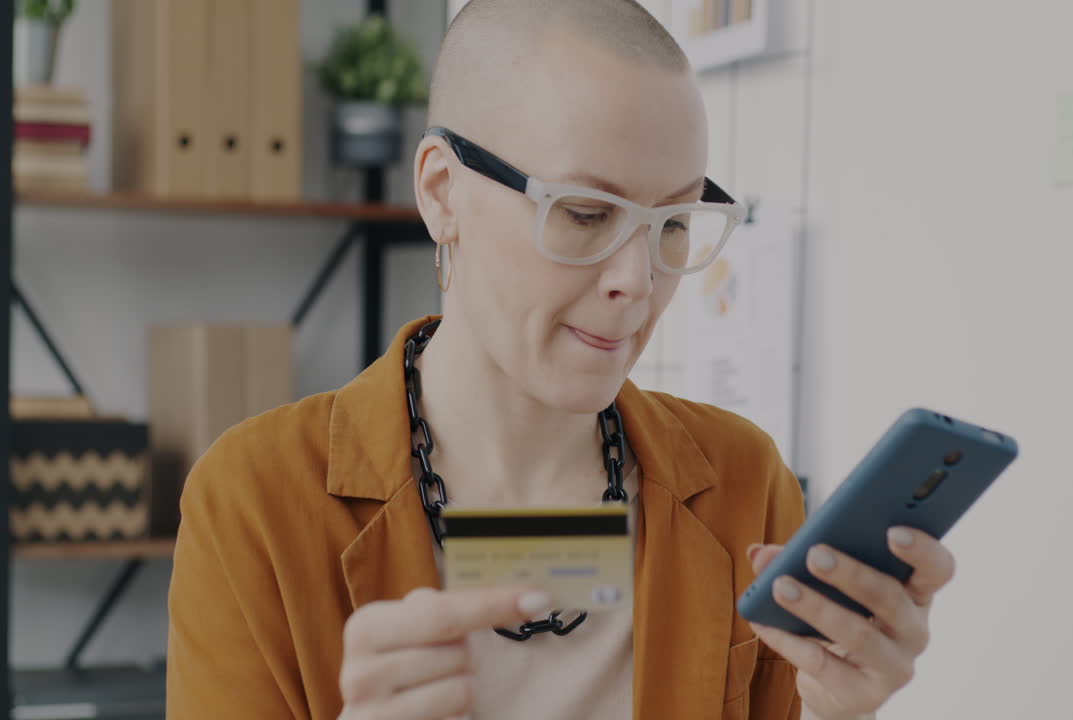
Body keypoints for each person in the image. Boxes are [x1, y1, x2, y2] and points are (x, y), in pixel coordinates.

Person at [166, 1, 957, 718]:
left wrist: (836, 712)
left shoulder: (743, 483)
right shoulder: (256, 502)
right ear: (441, 192)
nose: (637, 281)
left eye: (673, 223)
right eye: (584, 214)